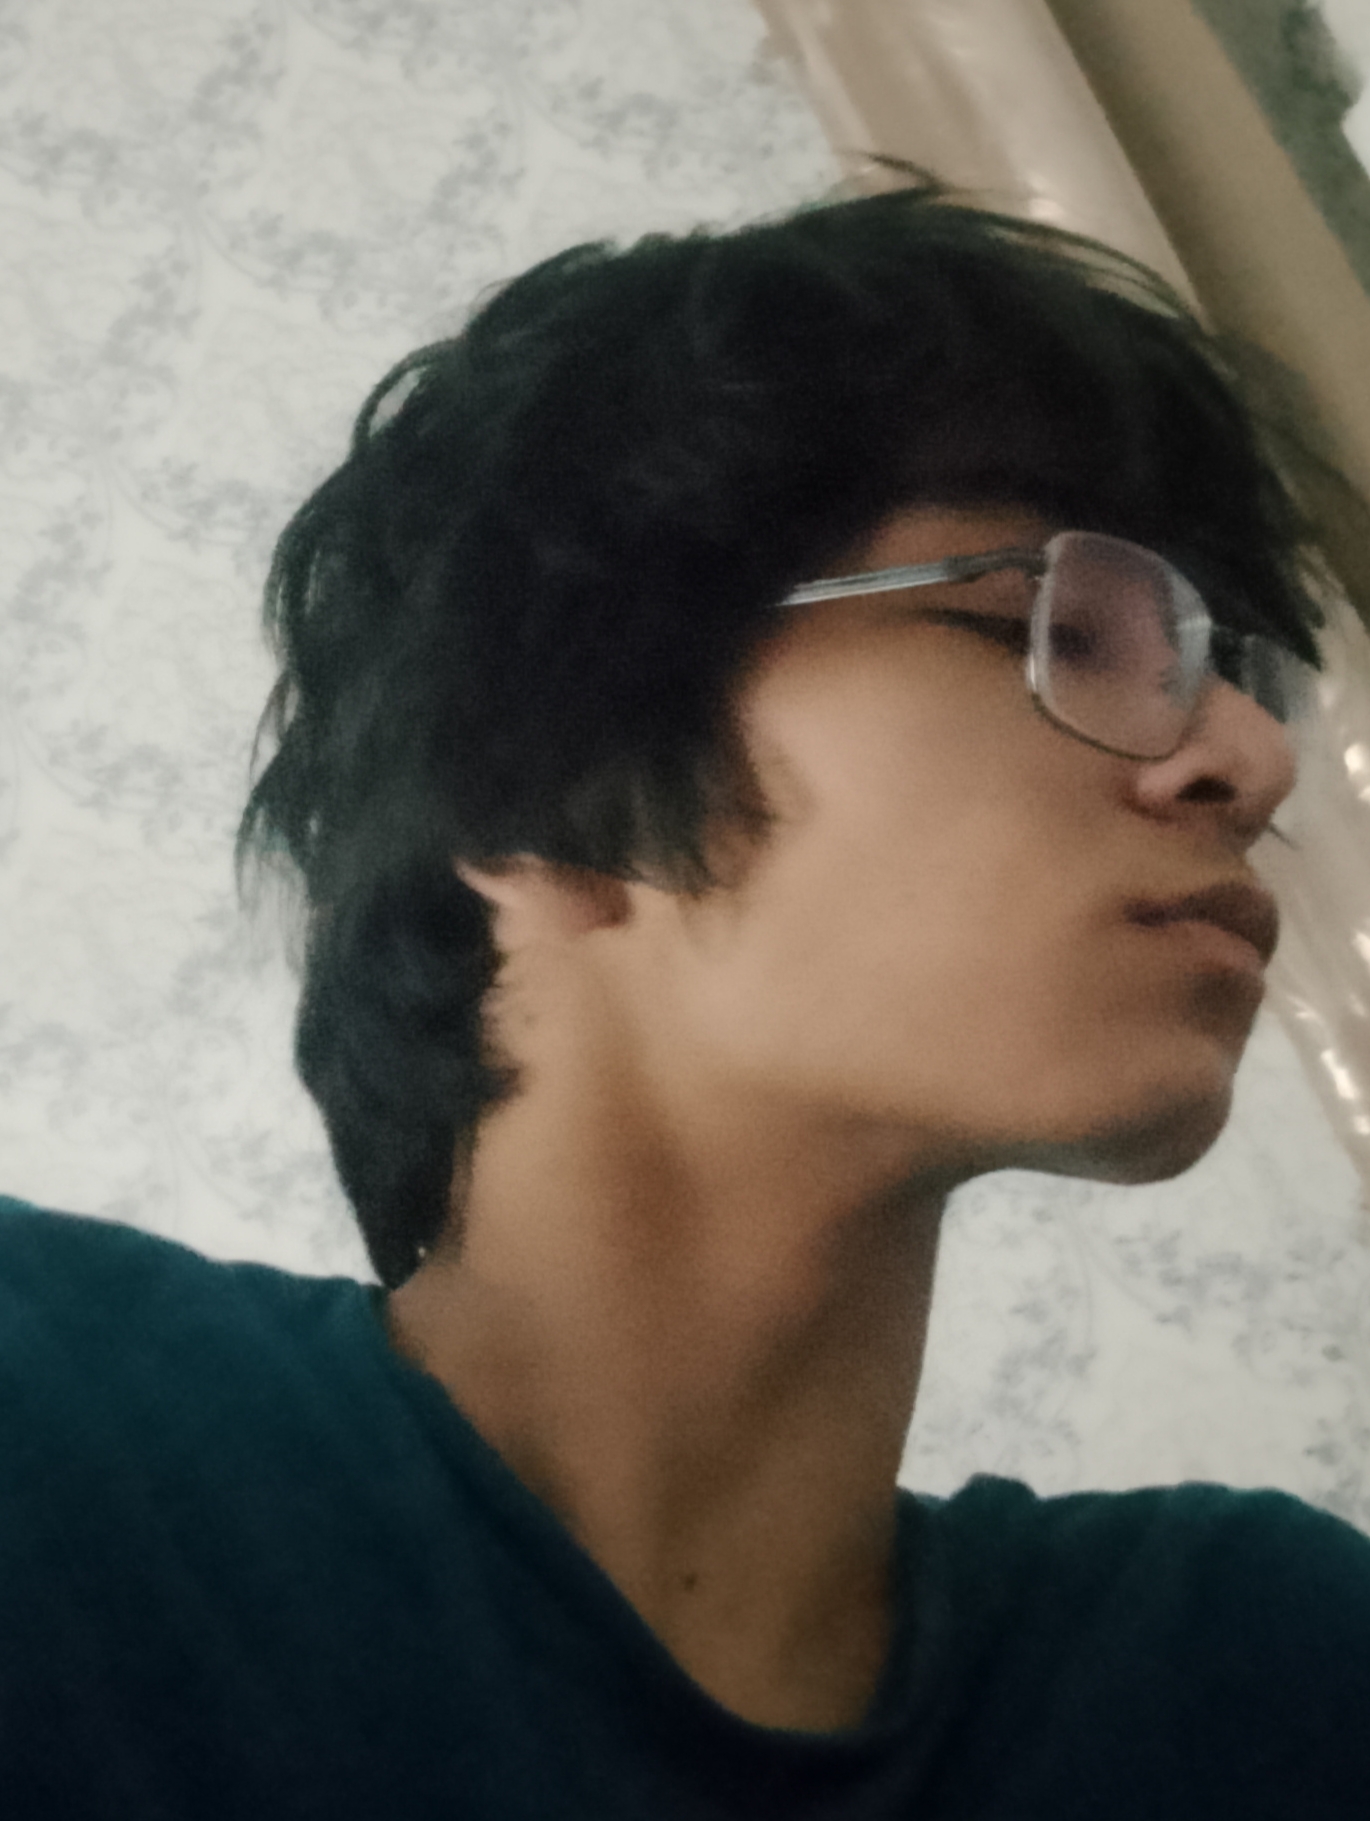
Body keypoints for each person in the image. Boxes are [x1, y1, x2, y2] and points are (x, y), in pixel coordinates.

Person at [3, 166, 1369, 1819]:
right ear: (542, 775)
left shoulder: (1254, 1678)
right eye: (1063, 624)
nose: (1248, 754)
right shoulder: (51, 1433)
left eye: (1233, 667)